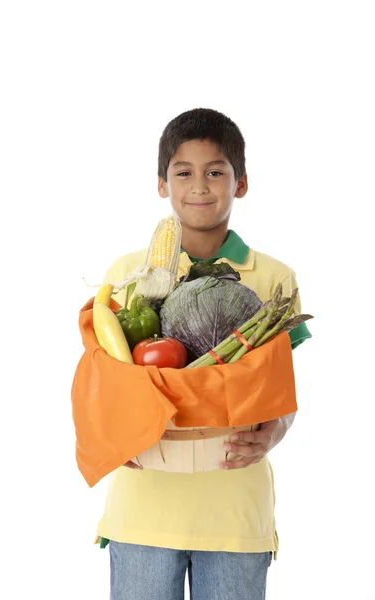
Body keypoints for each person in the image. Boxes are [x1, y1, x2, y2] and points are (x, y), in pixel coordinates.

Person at [95, 108, 311, 600]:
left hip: (233, 509)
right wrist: (114, 432)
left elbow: (283, 391)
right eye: (183, 172)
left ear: (241, 183)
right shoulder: (129, 271)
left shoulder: (275, 277)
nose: (199, 186)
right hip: (143, 509)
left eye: (216, 172)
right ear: (161, 183)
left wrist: (272, 433)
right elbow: (107, 382)